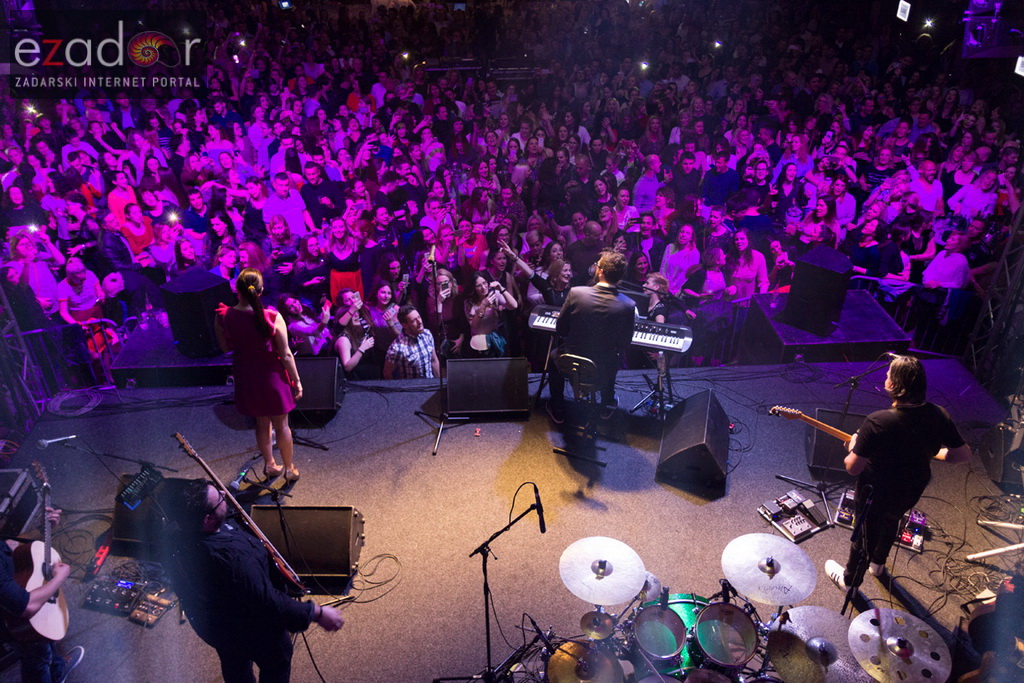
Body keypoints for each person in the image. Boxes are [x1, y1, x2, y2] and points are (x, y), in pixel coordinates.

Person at [162, 479, 344, 683]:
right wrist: (316, 613)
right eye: (219, 498)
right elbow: (267, 601)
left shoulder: (173, 534)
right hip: (253, 631)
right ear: (207, 519)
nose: (224, 493)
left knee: (233, 662)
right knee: (277, 663)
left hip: (213, 624)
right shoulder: (235, 560)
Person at [825, 355, 971, 591]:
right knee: (892, 519)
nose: (885, 377)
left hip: (876, 490)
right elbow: (962, 455)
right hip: (912, 487)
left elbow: (853, 467)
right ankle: (878, 565)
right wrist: (932, 452)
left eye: (888, 374)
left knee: (865, 532)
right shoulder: (938, 414)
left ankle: (850, 581)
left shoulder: (877, 421)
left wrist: (853, 446)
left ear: (895, 385)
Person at [214, 268, 302, 482]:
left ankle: (270, 465)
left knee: (261, 423)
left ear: (237, 290)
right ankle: (290, 469)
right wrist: (297, 381)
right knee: (282, 425)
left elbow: (225, 348)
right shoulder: (272, 316)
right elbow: (286, 355)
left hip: (246, 376)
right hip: (272, 378)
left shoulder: (223, 316)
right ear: (260, 292)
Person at [546, 250, 635, 424]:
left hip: (570, 362)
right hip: (602, 367)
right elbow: (625, 343)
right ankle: (607, 404)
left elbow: (561, 329)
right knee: (613, 357)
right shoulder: (628, 305)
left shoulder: (576, 294)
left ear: (600, 271)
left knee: (553, 357)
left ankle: (557, 408)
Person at [0, 507, 84, 683]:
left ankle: (58, 671)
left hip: (12, 595)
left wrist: (41, 530)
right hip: (10, 621)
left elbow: (8, 546)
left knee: (45, 635)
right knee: (36, 657)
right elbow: (26, 606)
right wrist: (59, 578)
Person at [383, 304, 441, 379]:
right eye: (414, 320)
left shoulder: (427, 334)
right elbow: (387, 373)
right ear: (405, 325)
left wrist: (439, 383)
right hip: (413, 388)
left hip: (430, 385)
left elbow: (434, 360)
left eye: (419, 317)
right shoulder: (397, 347)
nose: (419, 322)